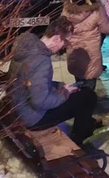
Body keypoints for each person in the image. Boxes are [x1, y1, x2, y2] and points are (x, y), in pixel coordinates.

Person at [8, 18, 99, 146]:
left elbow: (32, 81)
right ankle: (79, 140)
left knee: (79, 93)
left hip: (18, 107)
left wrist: (59, 86)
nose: (64, 47)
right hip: (33, 118)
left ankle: (85, 125)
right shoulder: (41, 60)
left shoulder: (27, 47)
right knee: (88, 97)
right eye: (65, 42)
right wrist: (64, 93)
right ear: (56, 38)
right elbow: (40, 102)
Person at [62, 0, 109, 89]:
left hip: (74, 52)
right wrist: (107, 8)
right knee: (89, 88)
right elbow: (106, 28)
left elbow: (63, 27)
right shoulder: (97, 8)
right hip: (91, 55)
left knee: (78, 83)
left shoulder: (67, 7)